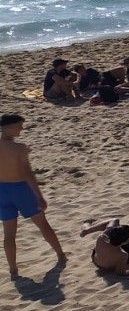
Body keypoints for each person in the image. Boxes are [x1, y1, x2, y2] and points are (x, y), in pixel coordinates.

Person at [1, 113, 65, 278]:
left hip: (2, 191)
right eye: (19, 126)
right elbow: (27, 173)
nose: (21, 129)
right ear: (8, 127)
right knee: (43, 224)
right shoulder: (19, 148)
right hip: (20, 189)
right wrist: (40, 196)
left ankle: (13, 269)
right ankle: (60, 254)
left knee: (8, 233)